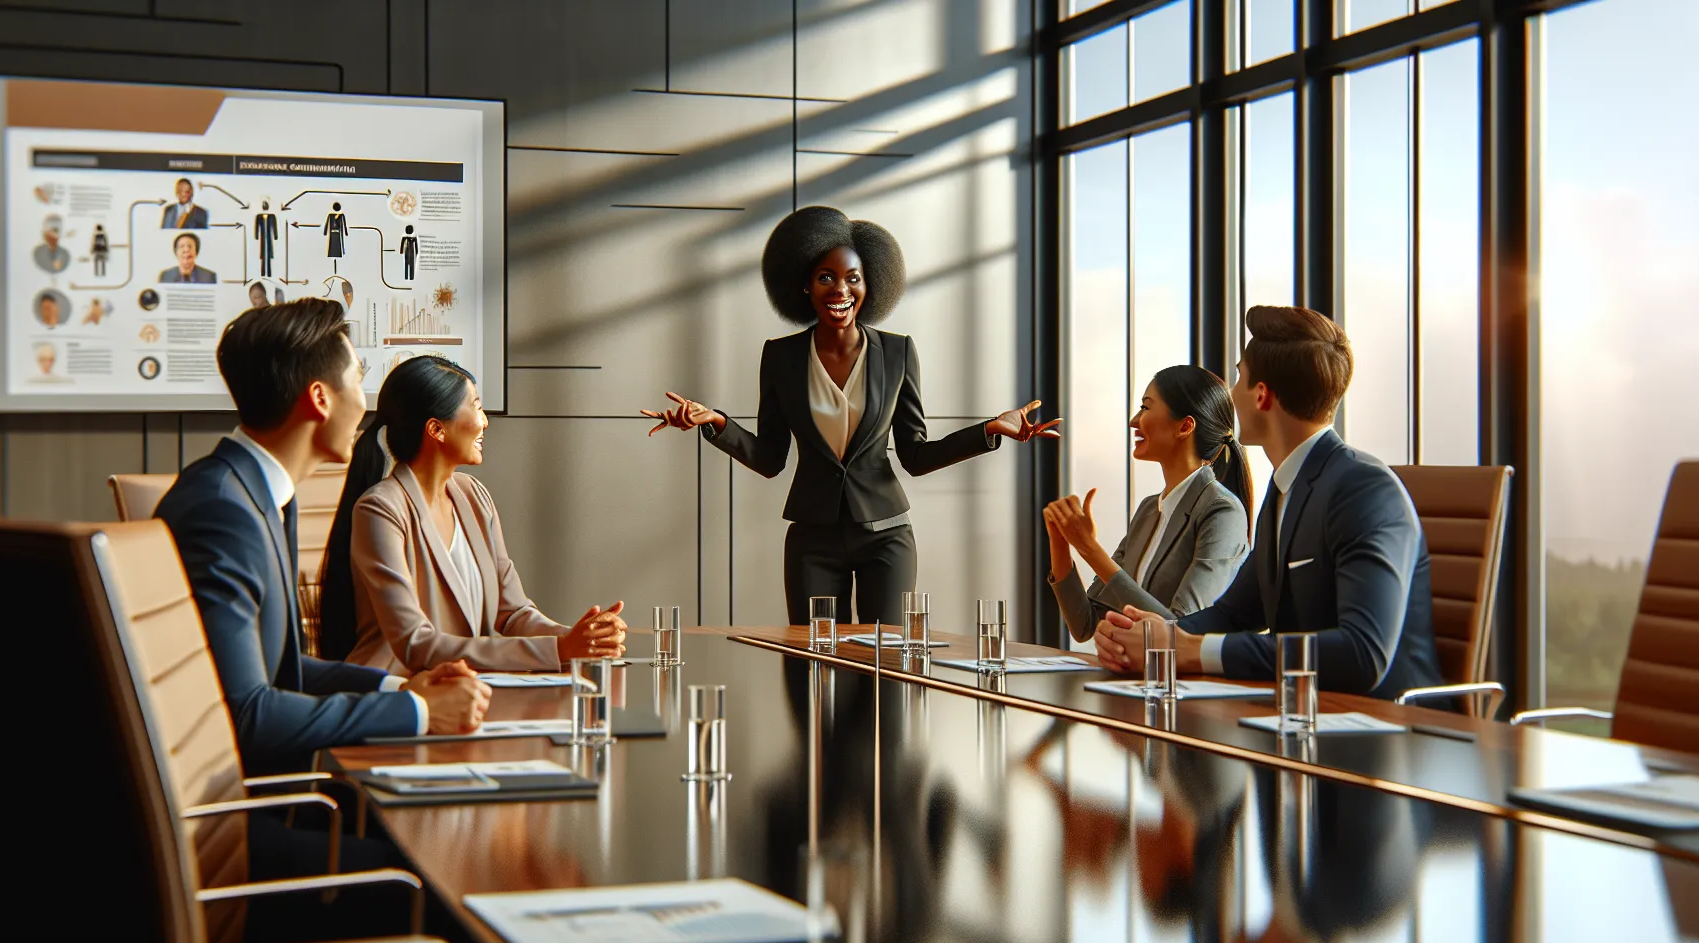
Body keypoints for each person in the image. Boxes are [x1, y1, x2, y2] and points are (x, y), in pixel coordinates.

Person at [641, 206, 1059, 626]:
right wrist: (717, 424)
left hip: (887, 538)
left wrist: (989, 430)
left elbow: (915, 455)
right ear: (805, 284)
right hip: (812, 540)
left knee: (890, 662)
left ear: (870, 284)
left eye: (852, 278)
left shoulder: (897, 353)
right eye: (826, 277)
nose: (840, 289)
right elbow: (770, 458)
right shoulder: (781, 356)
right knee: (818, 668)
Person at [154, 298, 491, 778]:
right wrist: (419, 714)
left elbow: (285, 668)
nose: (364, 402)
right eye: (357, 379)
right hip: (253, 812)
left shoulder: (254, 493)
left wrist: (404, 690)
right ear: (320, 398)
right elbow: (247, 713)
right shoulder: (225, 511)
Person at [1094, 305, 1439, 700]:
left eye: (1239, 377)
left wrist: (1190, 651)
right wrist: (1143, 636)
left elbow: (1363, 654)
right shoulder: (1284, 490)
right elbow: (1234, 614)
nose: (1232, 393)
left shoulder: (1364, 489)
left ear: (1261, 395)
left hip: (1386, 735)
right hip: (1301, 717)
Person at [318, 354, 629, 672]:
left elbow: (512, 613)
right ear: (437, 429)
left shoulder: (474, 496)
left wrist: (580, 639)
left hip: (465, 693)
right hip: (398, 696)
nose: (485, 422)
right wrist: (558, 648)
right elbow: (415, 642)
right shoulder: (381, 510)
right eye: (477, 407)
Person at [1044, 365, 1251, 641]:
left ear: (1185, 426)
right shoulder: (1148, 510)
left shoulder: (1222, 511)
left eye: (1145, 407)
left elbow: (1181, 631)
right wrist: (1060, 541)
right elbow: (1086, 624)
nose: (1134, 421)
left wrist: (1090, 549)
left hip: (1182, 683)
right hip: (1135, 681)